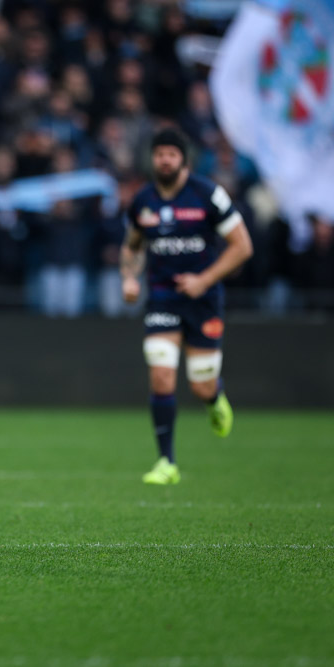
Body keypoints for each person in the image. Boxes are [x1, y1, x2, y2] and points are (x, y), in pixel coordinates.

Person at [120, 128, 254, 485]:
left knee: (200, 385)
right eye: (159, 153)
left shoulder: (208, 194)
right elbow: (132, 246)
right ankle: (167, 462)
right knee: (162, 373)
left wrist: (204, 280)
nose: (165, 159)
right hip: (162, 298)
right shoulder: (143, 200)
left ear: (184, 159)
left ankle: (215, 398)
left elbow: (242, 246)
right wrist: (130, 278)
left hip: (203, 299)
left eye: (172, 154)